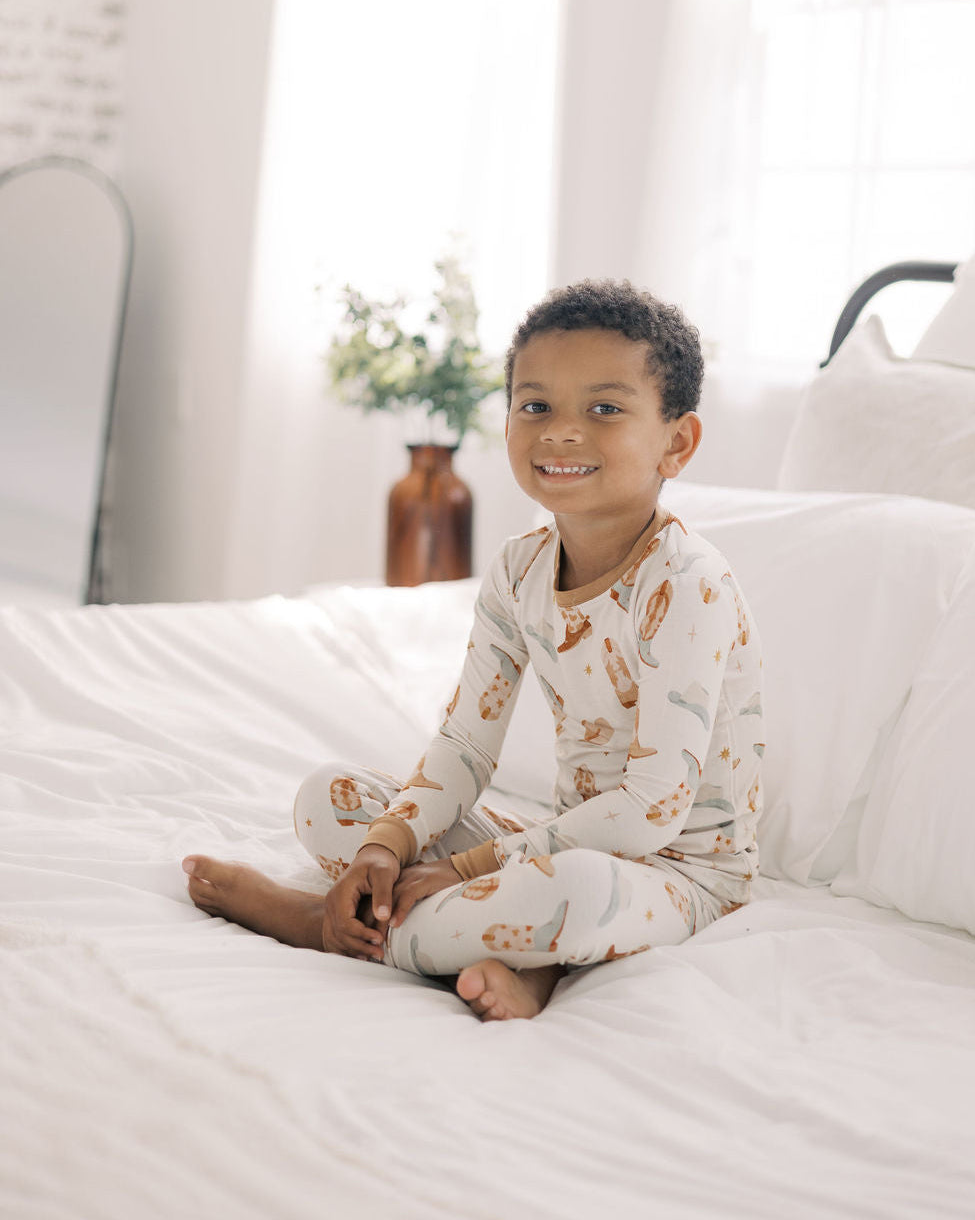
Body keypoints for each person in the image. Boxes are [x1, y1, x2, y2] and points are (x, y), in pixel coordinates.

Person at [183, 279, 765, 1022]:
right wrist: (388, 850)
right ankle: (529, 964)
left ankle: (317, 925)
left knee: (576, 894)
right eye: (535, 406)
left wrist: (468, 867)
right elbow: (465, 742)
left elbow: (653, 812)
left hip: (680, 873)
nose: (560, 432)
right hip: (557, 842)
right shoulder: (520, 569)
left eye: (605, 409)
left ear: (676, 442)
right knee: (330, 801)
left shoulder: (688, 585)